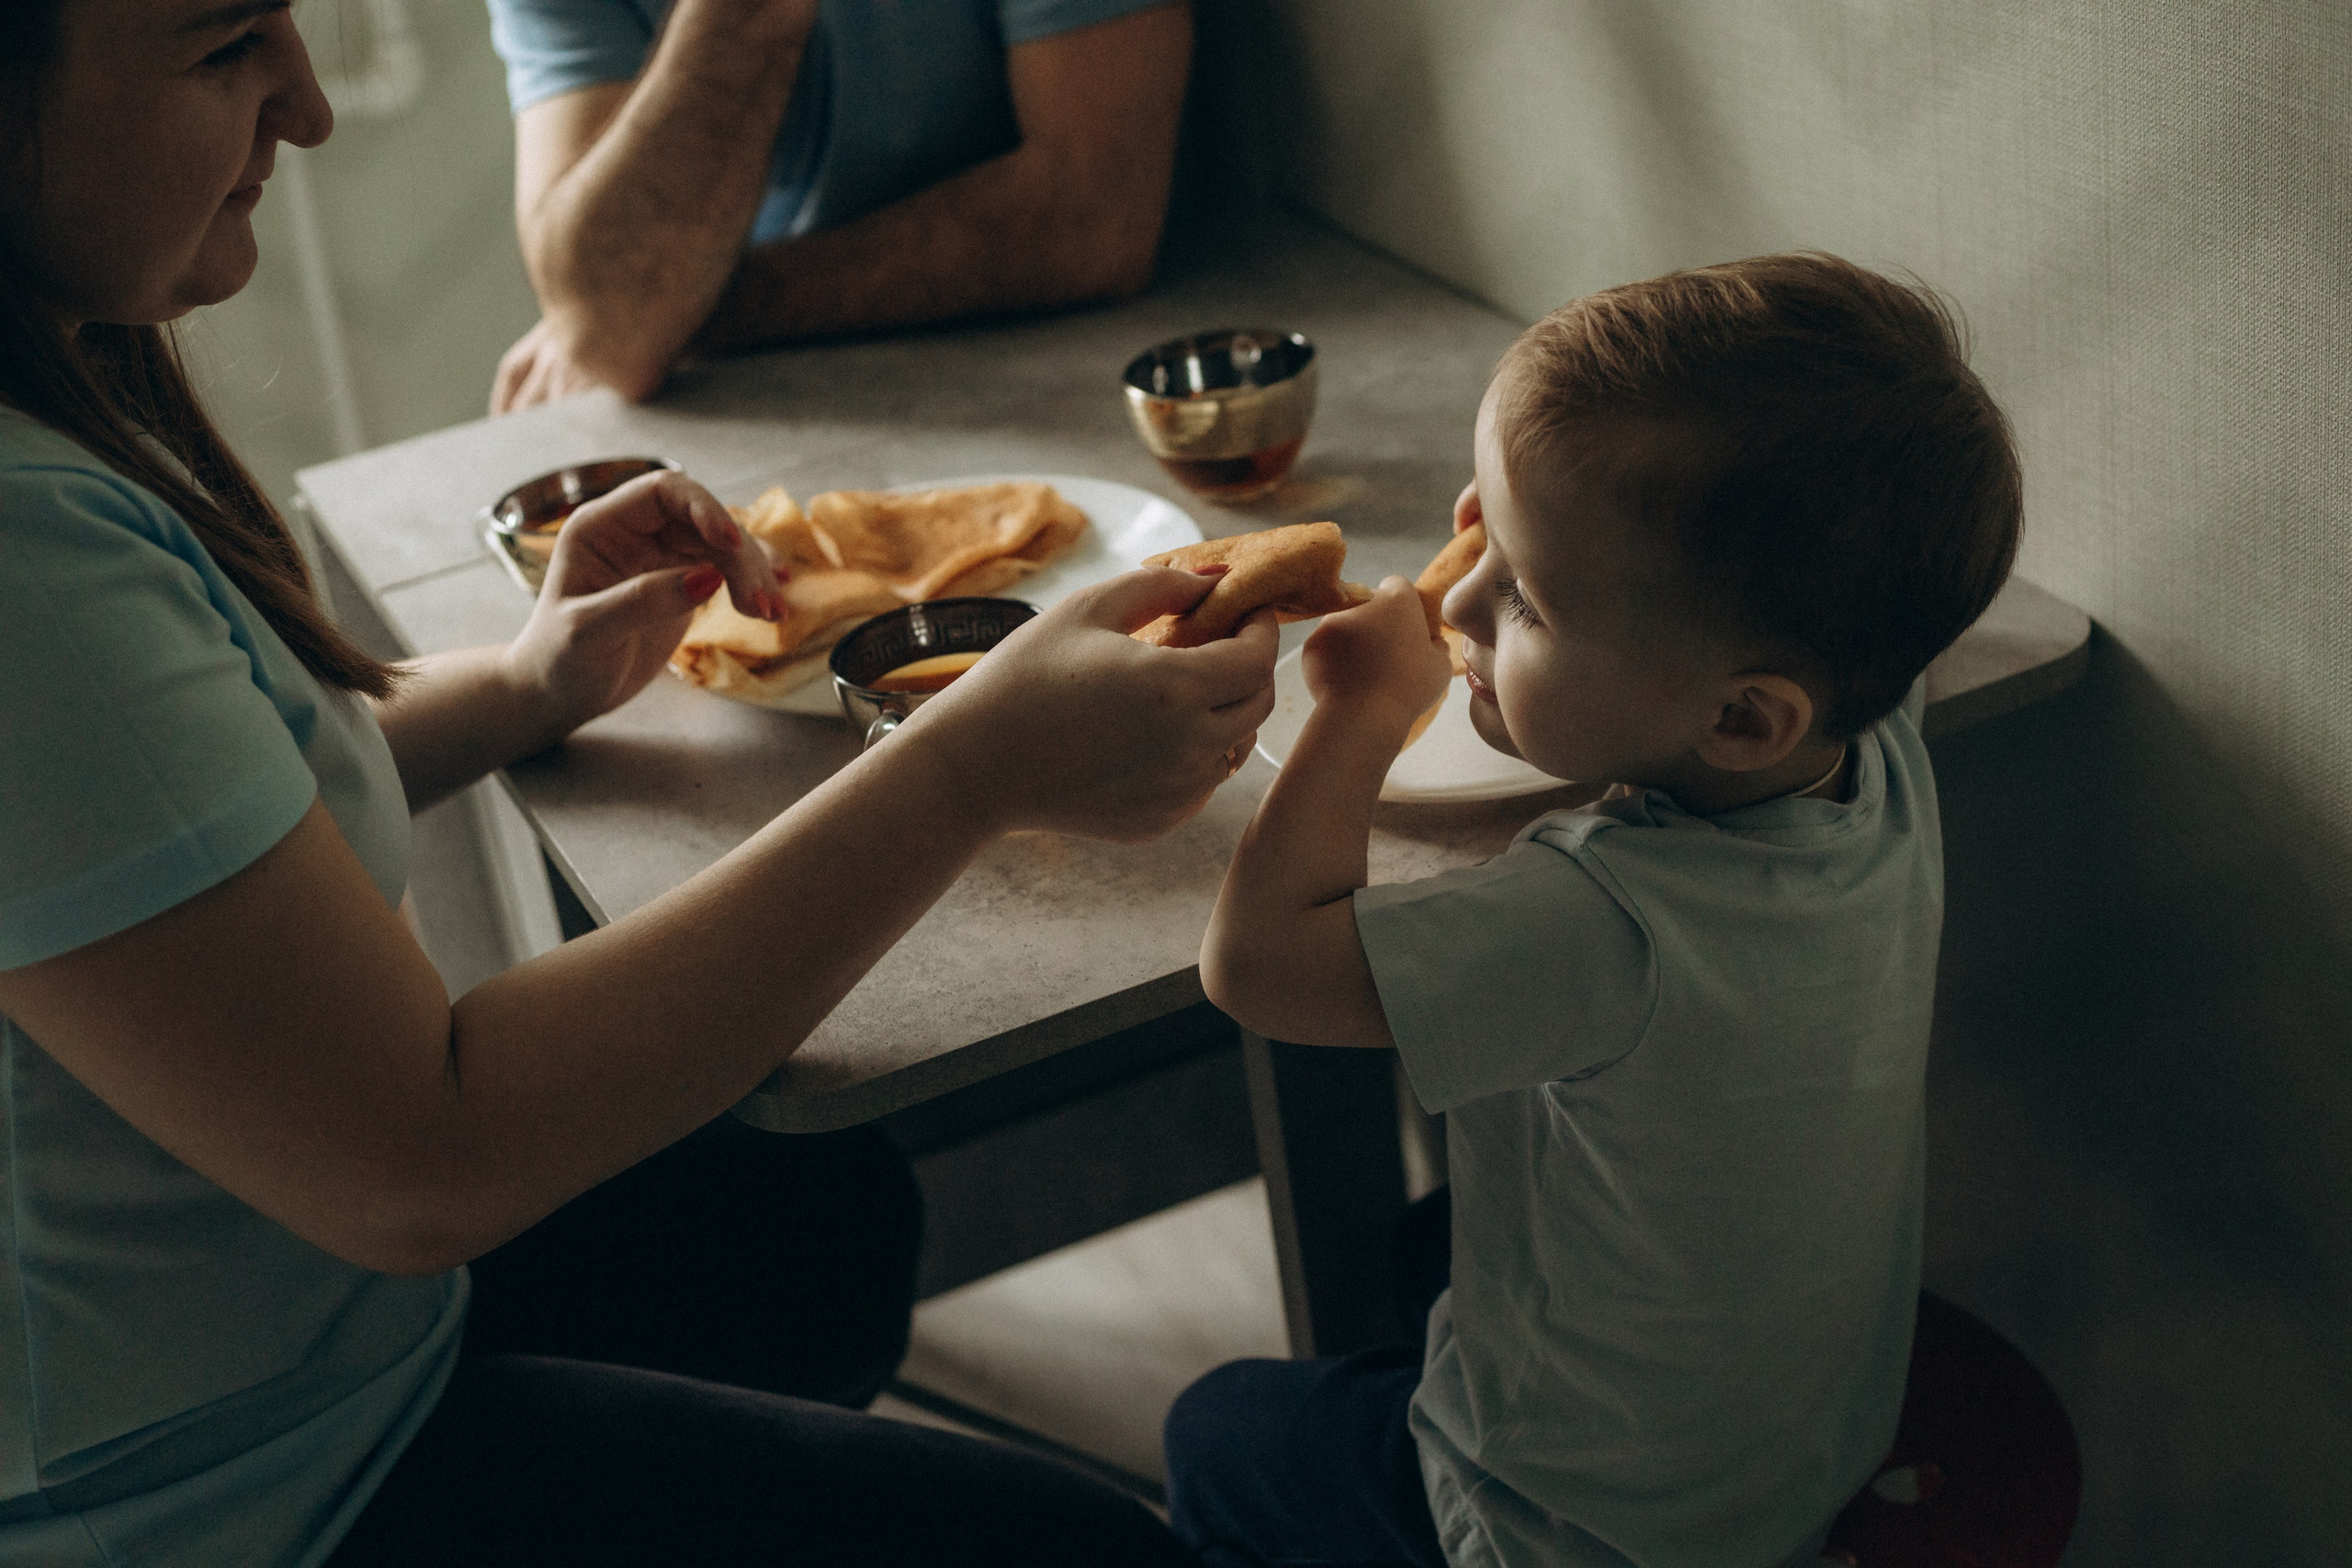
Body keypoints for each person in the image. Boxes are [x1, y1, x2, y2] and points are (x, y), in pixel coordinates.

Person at [0, 2, 1274, 1563]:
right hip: (237, 1494)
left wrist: (531, 683)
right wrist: (974, 762)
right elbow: (430, 1153)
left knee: (814, 1229)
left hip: (304, 1333)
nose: (309, 108)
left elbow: (180, 820)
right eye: (223, 51)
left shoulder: (55, 432)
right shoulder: (23, 565)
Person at [1162, 254, 2023, 1567]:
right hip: (1793, 1436)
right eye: (1487, 540)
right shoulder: (1877, 744)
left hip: (1567, 1525)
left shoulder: (1605, 923)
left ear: (1743, 717)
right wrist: (1554, 566)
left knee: (1217, 1430)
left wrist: (1357, 716)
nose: (1459, 601)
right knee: (1423, 1251)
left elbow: (1259, 966)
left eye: (1524, 597)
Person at [484, 0, 1194, 411]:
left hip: (1073, 365)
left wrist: (685, 309)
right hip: (750, 400)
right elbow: (616, 325)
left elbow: (1097, 218)